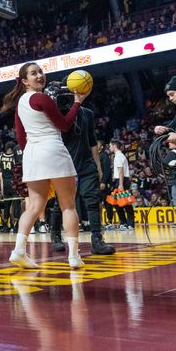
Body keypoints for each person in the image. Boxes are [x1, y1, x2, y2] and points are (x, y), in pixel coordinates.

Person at [0, 62, 88, 269]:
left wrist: (29, 158)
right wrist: (77, 102)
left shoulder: (20, 102)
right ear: (24, 81)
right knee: (68, 205)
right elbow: (64, 125)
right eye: (33, 73)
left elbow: (21, 136)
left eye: (40, 71)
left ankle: (19, 251)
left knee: (33, 206)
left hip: (32, 153)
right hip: (52, 149)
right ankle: (74, 256)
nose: (39, 75)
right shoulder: (42, 98)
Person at [44, 82, 115, 255]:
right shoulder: (54, 114)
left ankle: (97, 240)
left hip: (85, 164)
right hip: (63, 164)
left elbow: (92, 141)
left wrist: (97, 165)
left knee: (92, 199)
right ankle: (55, 236)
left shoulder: (87, 114)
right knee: (60, 204)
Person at [109, 140, 134, 230]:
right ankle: (124, 222)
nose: (109, 148)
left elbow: (121, 171)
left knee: (126, 203)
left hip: (121, 181)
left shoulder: (118, 156)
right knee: (117, 203)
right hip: (120, 180)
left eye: (110, 146)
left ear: (114, 146)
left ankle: (129, 223)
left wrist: (120, 184)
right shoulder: (119, 156)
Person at [0, 142, 22, 232]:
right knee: (16, 205)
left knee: (6, 205)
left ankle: (5, 226)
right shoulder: (14, 157)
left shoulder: (0, 157)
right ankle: (15, 226)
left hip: (5, 182)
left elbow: (1, 171)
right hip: (14, 182)